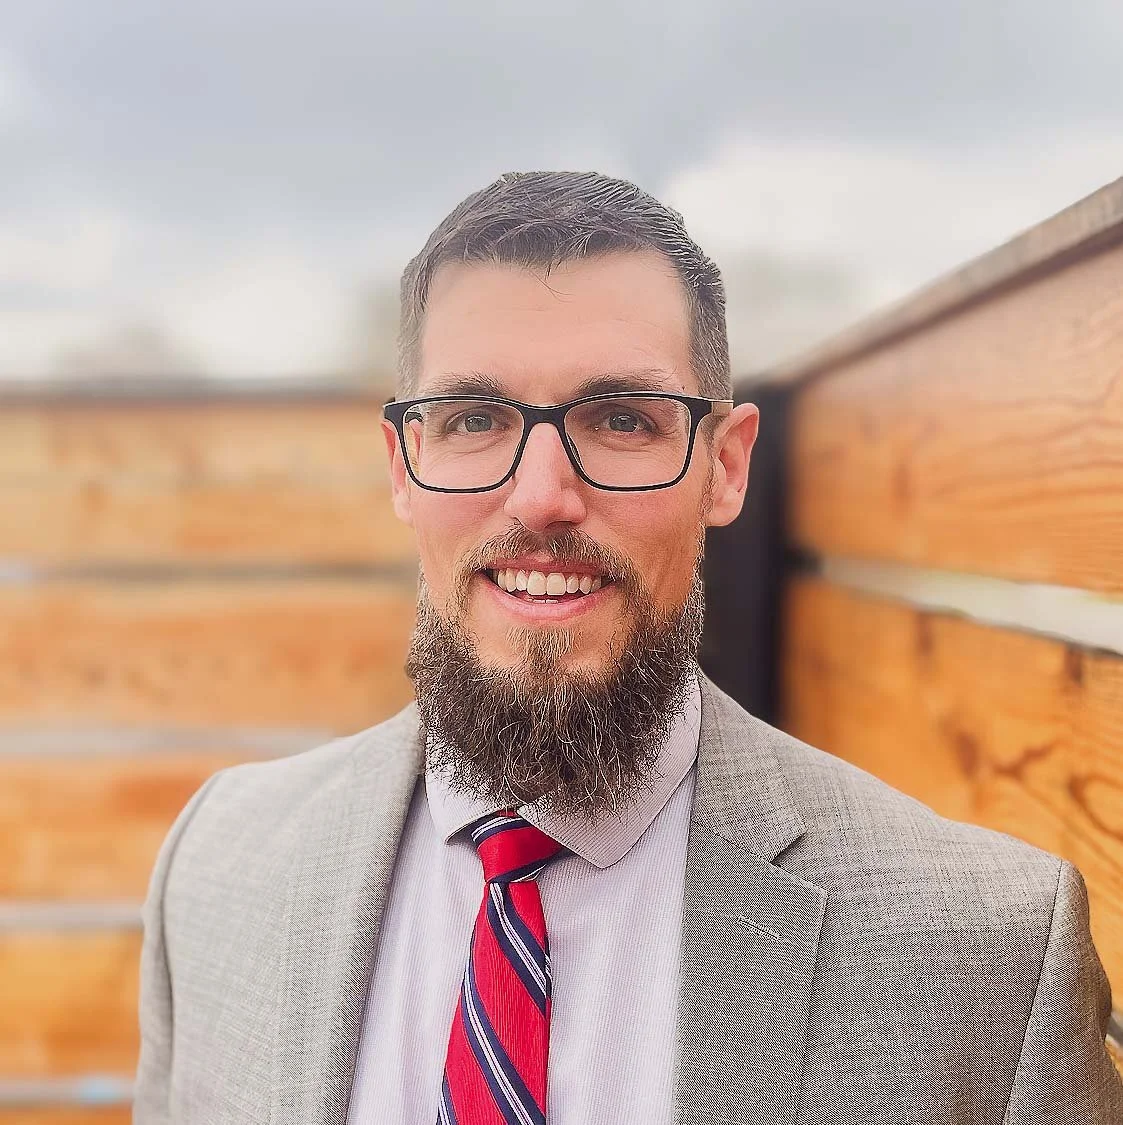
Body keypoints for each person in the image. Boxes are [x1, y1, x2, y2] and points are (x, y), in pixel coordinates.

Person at [133, 171, 1122, 1125]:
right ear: (405, 466)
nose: (540, 498)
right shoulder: (218, 864)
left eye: (619, 420)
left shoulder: (985, 957)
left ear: (724, 467)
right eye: (474, 419)